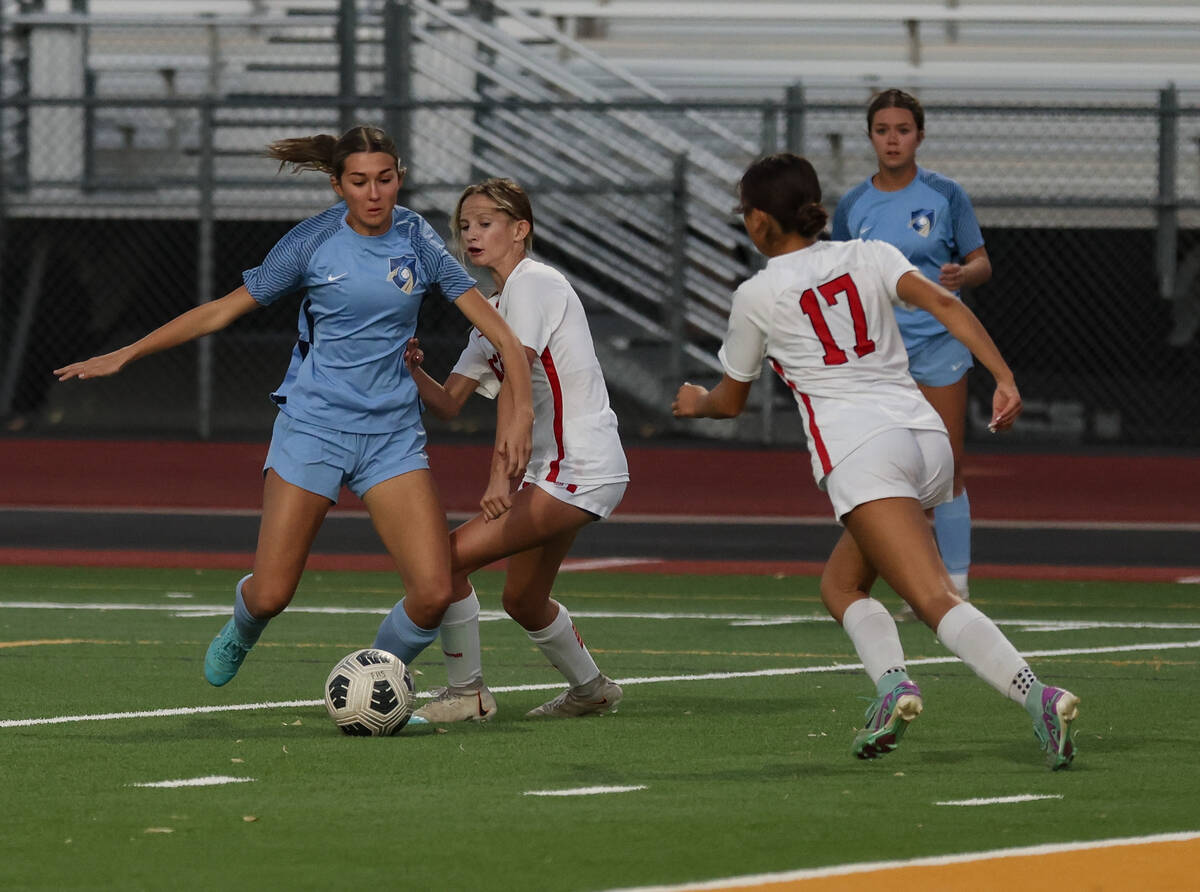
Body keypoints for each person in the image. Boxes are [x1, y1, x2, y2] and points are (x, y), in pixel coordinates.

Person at [54, 125, 533, 688]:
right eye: (359, 182)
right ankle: (242, 623)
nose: (374, 193)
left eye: (385, 179)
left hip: (391, 437)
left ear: (399, 177)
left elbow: (500, 334)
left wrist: (519, 414)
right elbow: (221, 310)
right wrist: (128, 353)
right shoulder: (311, 241)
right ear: (337, 185)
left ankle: (372, 683)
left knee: (431, 594)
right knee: (272, 591)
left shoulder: (418, 240)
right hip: (314, 427)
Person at [673, 153, 1079, 769]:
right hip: (925, 438)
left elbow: (730, 402)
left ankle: (1038, 696)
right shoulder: (868, 252)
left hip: (863, 452)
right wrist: (1003, 376)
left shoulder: (756, 293)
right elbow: (944, 304)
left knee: (935, 599)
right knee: (840, 586)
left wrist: (694, 403)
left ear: (758, 221)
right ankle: (892, 687)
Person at [373, 177, 628, 721]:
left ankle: (468, 695)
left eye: (485, 223)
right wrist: (413, 370)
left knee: (442, 561)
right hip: (558, 471)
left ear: (521, 230)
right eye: (464, 225)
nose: (471, 234)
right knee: (523, 600)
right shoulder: (491, 308)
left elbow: (518, 381)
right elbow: (448, 404)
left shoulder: (533, 283)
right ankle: (593, 690)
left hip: (576, 466)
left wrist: (498, 481)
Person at [831, 88, 990, 612]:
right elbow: (835, 275)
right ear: (870, 137)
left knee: (947, 467)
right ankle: (912, 580)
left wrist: (963, 273)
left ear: (920, 135)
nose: (893, 139)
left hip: (939, 347)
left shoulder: (946, 194)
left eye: (903, 129)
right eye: (883, 130)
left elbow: (981, 262)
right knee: (886, 470)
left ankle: (957, 585)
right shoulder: (854, 204)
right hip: (879, 357)